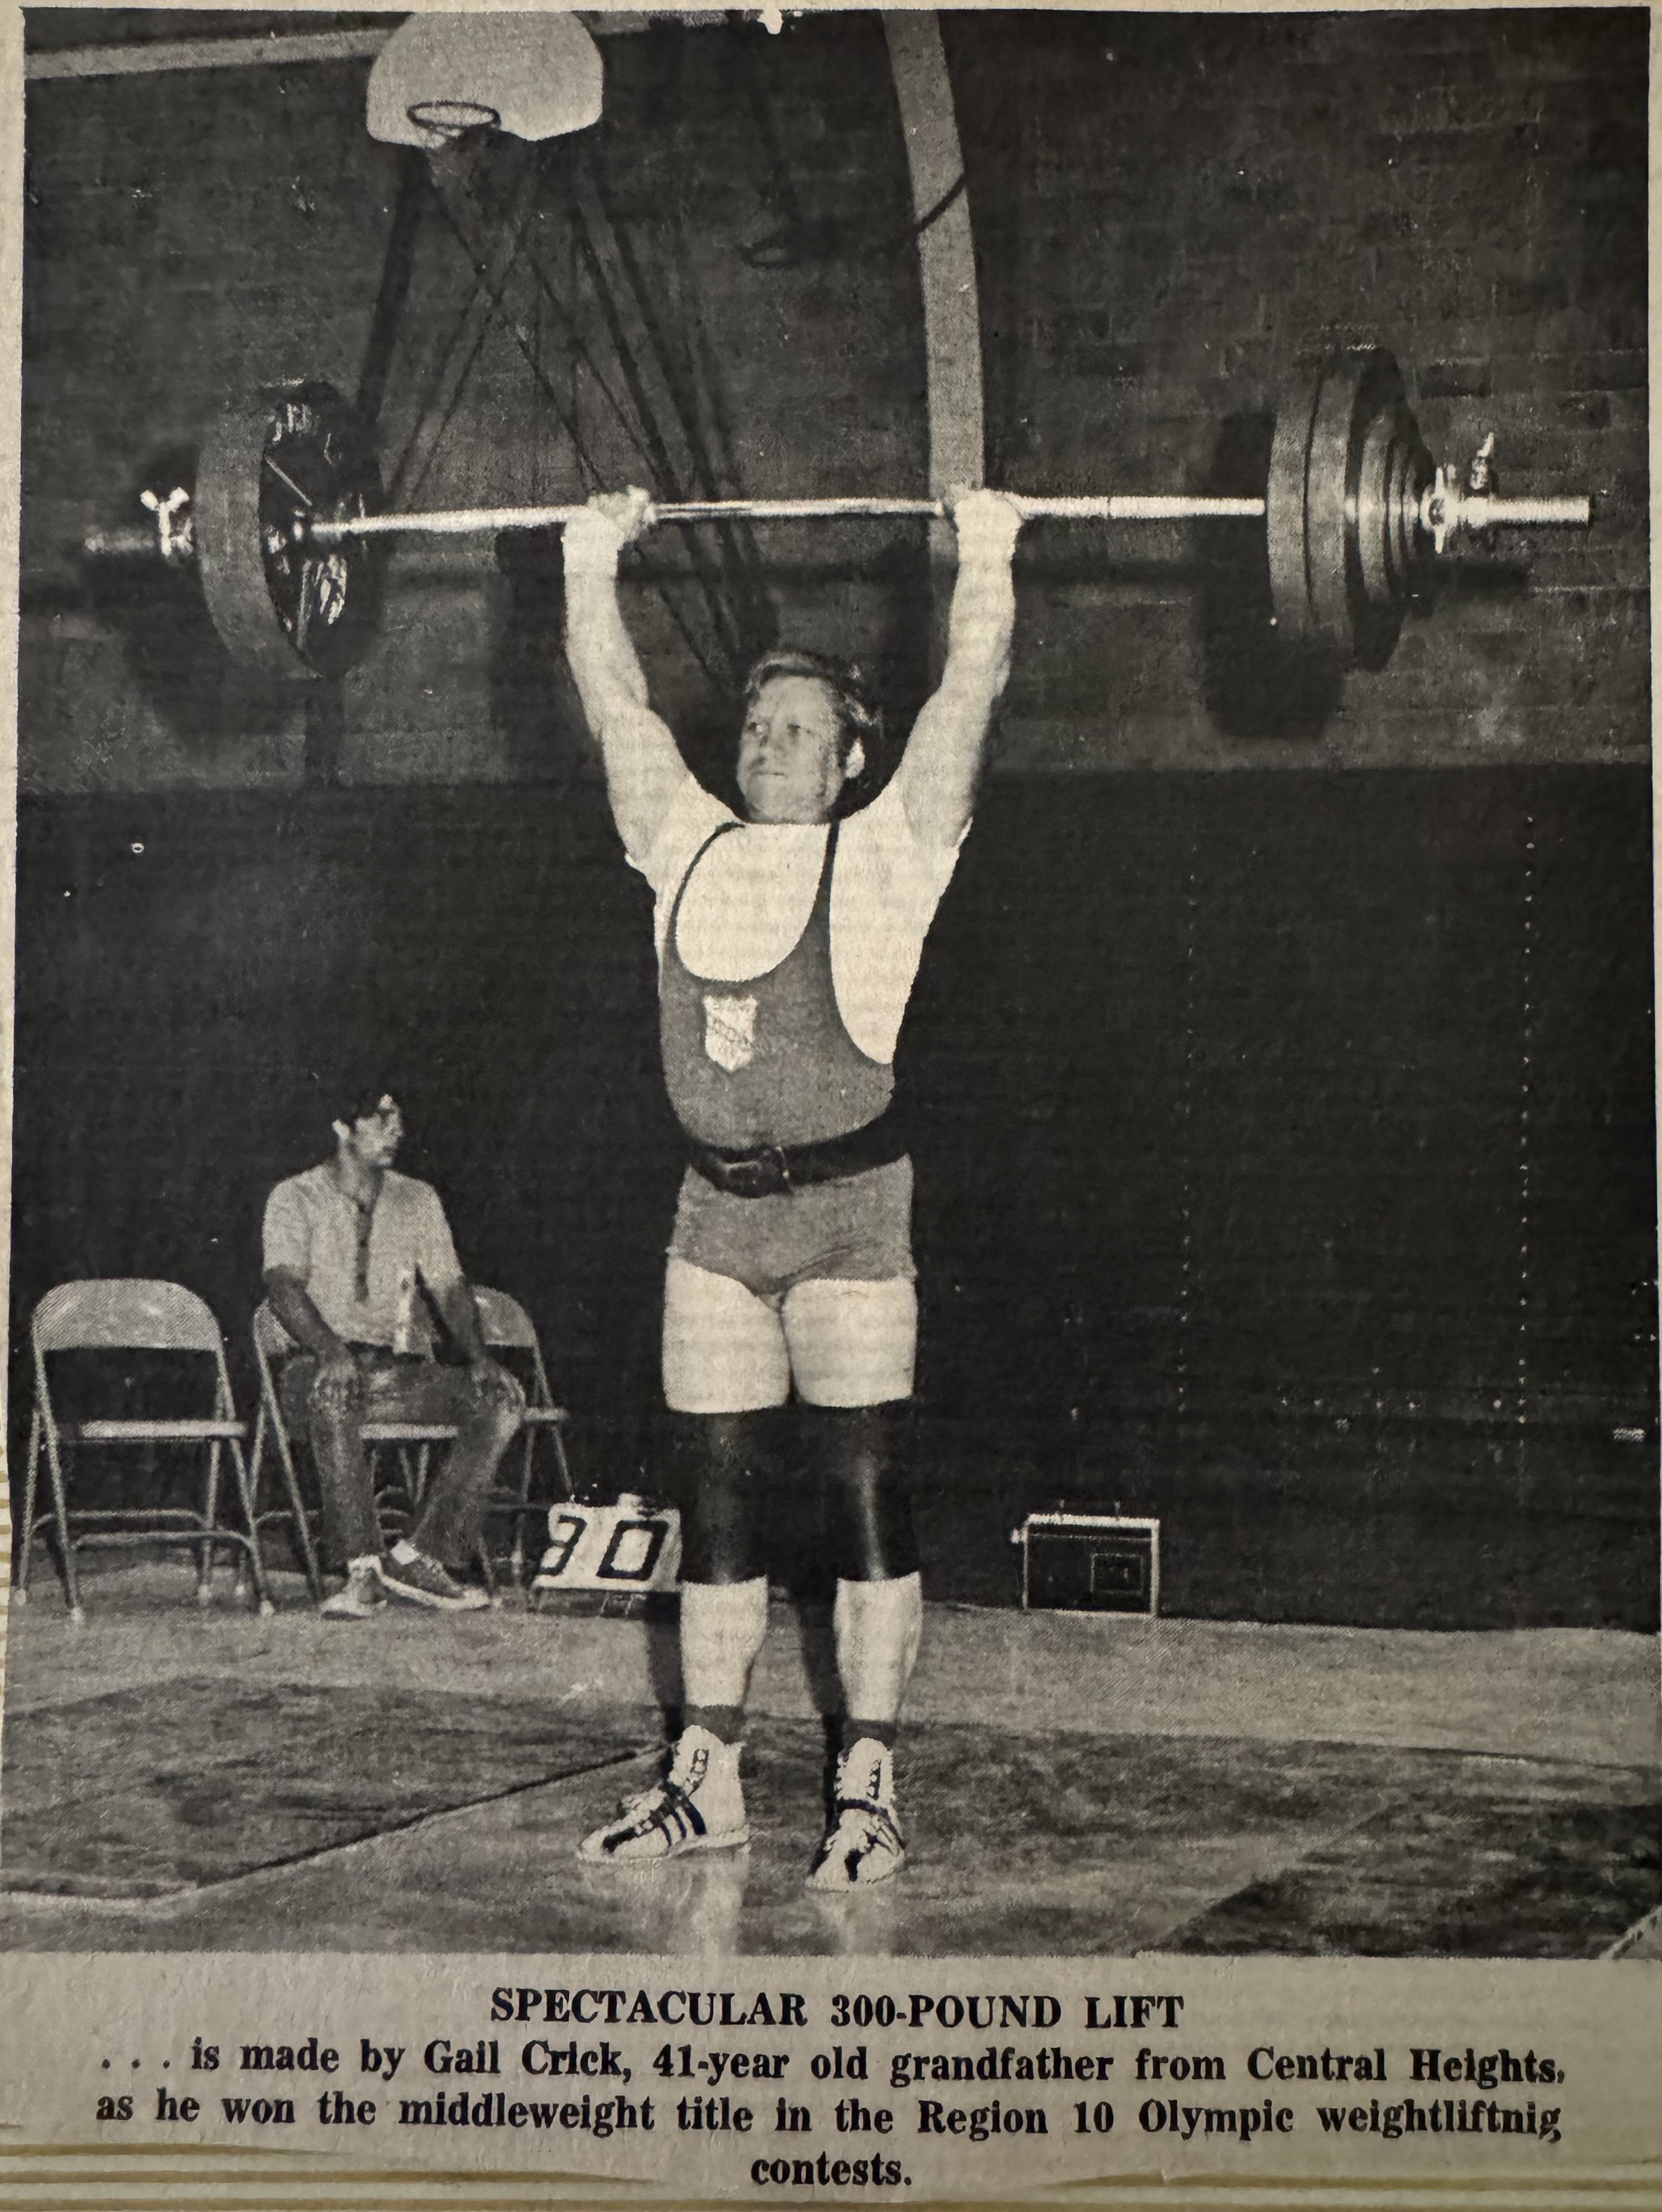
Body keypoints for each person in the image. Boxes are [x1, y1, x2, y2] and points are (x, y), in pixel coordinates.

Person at [563, 484, 1022, 1886]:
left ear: (847, 755)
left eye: (798, 729)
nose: (768, 742)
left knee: (864, 1490)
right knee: (710, 1504)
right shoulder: (681, 843)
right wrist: (588, 562)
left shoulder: (887, 854)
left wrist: (987, 553)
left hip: (844, 1221)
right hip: (710, 1220)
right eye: (756, 725)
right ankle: (704, 1777)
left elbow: (965, 700)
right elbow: (616, 707)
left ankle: (866, 1782)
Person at [262, 1084, 525, 1620]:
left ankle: (422, 1555)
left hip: (395, 1374)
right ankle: (363, 1571)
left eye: (401, 1120)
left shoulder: (418, 1199)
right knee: (334, 1392)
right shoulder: (294, 1197)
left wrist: (479, 1358)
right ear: (343, 1127)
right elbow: (284, 1289)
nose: (398, 1131)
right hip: (313, 1371)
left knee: (501, 1401)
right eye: (382, 1119)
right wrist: (331, 1351)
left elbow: (451, 1289)